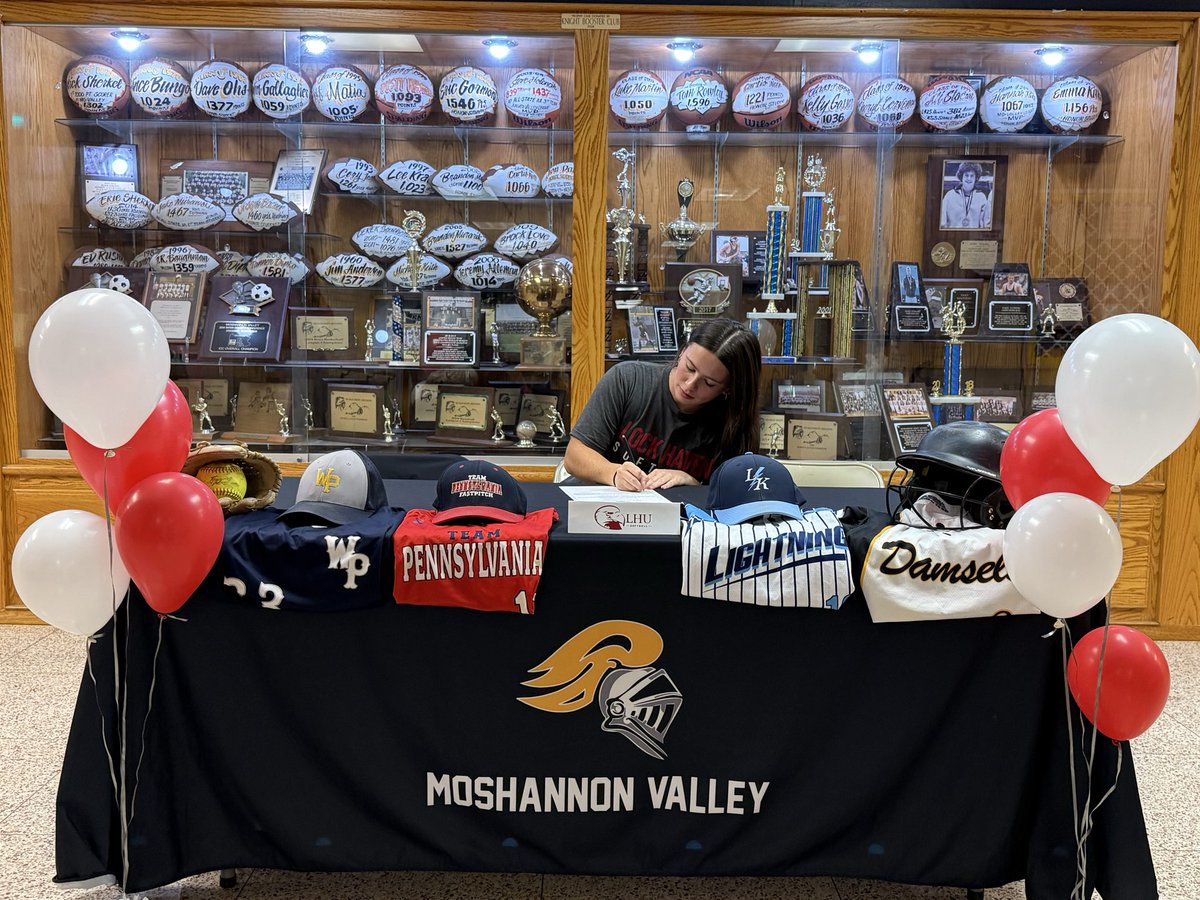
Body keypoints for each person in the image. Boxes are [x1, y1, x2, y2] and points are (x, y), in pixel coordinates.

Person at [564, 317, 762, 490]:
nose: (690, 385)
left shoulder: (733, 422)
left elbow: (738, 492)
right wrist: (614, 473)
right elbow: (574, 456)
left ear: (728, 389)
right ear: (682, 351)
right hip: (600, 506)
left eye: (709, 383)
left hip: (679, 516)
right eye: (690, 367)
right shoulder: (628, 380)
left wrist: (692, 483)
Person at [940, 161, 991, 230]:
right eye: (966, 175)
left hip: (973, 236)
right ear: (961, 177)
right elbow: (942, 222)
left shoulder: (981, 197)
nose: (969, 178)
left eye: (972, 176)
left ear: (976, 178)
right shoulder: (950, 195)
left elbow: (984, 225)